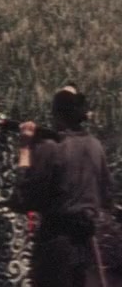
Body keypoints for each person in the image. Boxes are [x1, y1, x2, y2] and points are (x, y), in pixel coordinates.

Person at [12, 84, 115, 287]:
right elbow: (106, 197)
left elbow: (22, 200)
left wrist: (25, 148)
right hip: (84, 243)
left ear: (56, 115)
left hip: (56, 244)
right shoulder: (96, 145)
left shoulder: (50, 148)